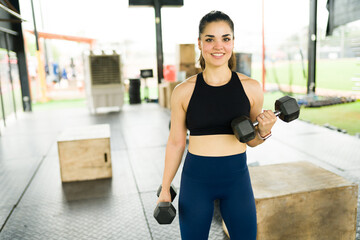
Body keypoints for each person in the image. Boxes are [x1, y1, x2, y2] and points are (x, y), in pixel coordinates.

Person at [157, 10, 277, 240]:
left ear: (233, 42)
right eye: (210, 39)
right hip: (196, 181)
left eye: (226, 38)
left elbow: (251, 140)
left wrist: (263, 131)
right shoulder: (183, 91)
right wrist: (165, 187)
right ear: (200, 43)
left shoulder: (251, 88)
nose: (218, 46)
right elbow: (175, 143)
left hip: (237, 180)